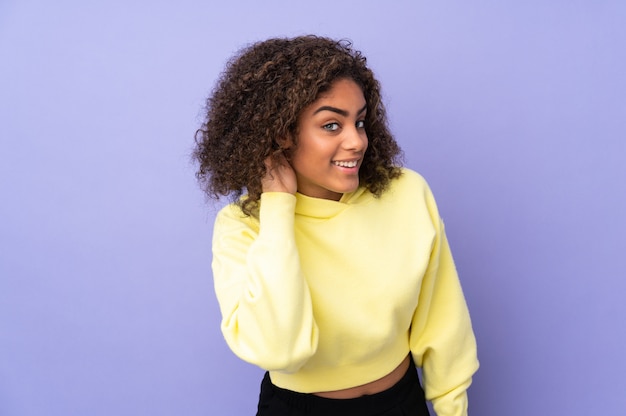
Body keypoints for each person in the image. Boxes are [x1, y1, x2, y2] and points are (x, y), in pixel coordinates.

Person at [194, 35, 479, 416]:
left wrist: (452, 406)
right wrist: (279, 207)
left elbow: (442, 319)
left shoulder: (406, 193)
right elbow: (280, 351)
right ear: (281, 132)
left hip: (401, 402)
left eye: (359, 121)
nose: (357, 140)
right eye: (331, 125)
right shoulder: (243, 227)